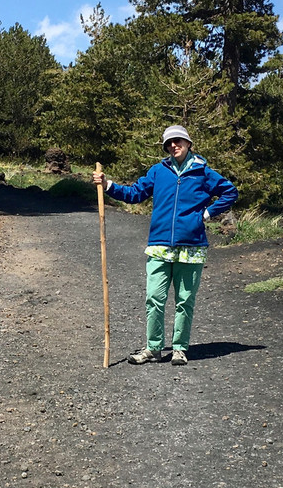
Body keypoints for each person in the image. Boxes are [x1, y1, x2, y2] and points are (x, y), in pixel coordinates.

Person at [93, 125, 238, 365]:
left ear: (188, 143)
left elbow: (229, 192)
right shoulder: (158, 171)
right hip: (160, 245)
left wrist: (207, 214)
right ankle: (153, 348)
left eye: (178, 140)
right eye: (169, 142)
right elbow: (135, 194)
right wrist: (108, 185)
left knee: (184, 300)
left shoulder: (203, 171)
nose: (173, 145)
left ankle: (180, 348)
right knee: (154, 297)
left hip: (191, 247)